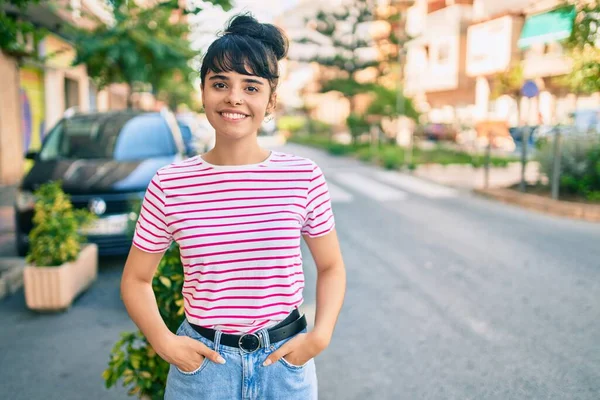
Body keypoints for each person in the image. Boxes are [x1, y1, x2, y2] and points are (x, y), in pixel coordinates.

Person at [120, 13, 346, 400]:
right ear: (203, 92)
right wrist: (164, 342)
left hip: (284, 364)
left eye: (251, 87)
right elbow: (136, 280)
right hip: (204, 370)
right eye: (220, 83)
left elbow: (331, 267)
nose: (234, 98)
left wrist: (319, 337)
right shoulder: (171, 183)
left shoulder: (303, 176)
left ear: (270, 100)